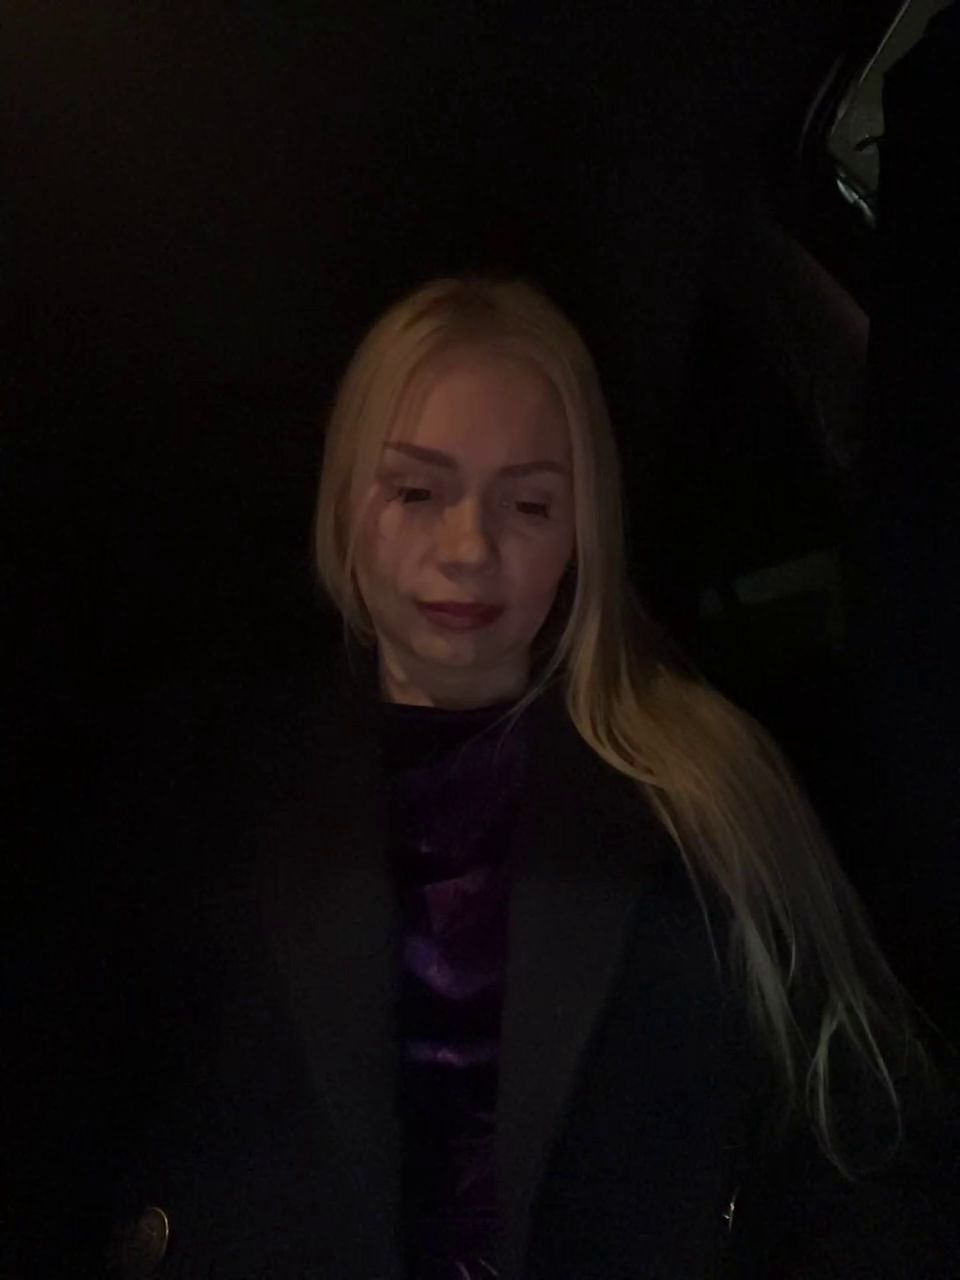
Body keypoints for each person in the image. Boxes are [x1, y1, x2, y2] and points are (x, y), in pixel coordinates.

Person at [65, 276, 956, 1279]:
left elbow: (867, 1148)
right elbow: (64, 1100)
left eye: (528, 503)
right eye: (416, 491)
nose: (468, 549)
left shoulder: (703, 785)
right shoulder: (205, 772)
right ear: (344, 498)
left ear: (583, 530)